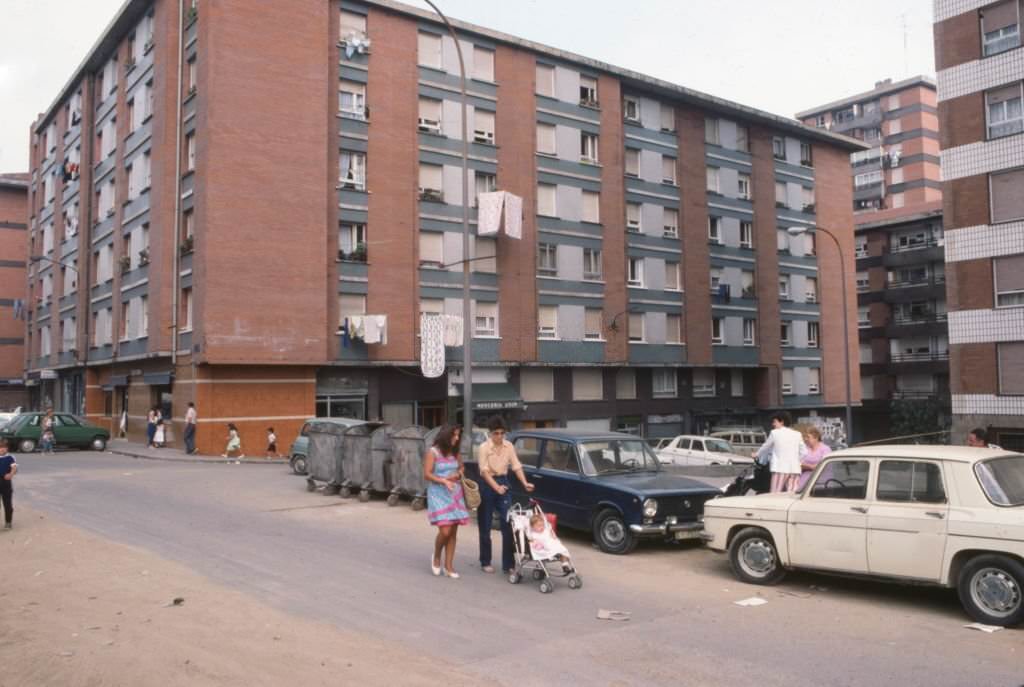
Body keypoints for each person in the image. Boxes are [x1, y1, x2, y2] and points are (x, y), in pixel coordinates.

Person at [477, 416, 534, 574]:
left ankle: (508, 564)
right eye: (496, 433)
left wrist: (524, 483)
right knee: (485, 525)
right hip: (488, 485)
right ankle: (485, 561)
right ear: (490, 433)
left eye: (502, 433)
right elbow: (484, 472)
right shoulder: (483, 447)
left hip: (503, 481)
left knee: (508, 523)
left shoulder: (509, 446)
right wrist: (496, 488)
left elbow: (516, 466)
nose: (500, 436)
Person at [423, 424, 469, 579]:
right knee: (445, 531)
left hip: (454, 492)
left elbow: (462, 467)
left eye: (458, 435)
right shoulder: (433, 452)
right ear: (445, 436)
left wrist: (458, 473)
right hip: (438, 493)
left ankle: (449, 566)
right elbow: (427, 474)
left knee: (453, 532)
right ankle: (436, 556)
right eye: (454, 435)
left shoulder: (455, 451)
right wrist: (444, 480)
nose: (457, 438)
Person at [753, 411, 806, 493]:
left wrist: (756, 454)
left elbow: (766, 446)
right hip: (795, 470)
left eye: (775, 422)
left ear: (782, 421)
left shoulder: (774, 433)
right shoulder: (797, 434)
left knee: (775, 494)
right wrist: (797, 461)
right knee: (791, 494)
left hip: (779, 468)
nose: (773, 424)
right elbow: (804, 452)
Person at [797, 426, 832, 491]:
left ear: (816, 438)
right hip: (803, 483)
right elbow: (798, 464)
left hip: (821, 483)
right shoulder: (805, 449)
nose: (805, 439)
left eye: (808, 437)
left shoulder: (825, 449)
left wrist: (805, 466)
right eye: (805, 437)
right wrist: (811, 467)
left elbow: (820, 466)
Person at [0, 443, 17, 529]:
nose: (2, 449)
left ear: (7, 449)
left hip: (5, 482)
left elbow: (14, 468)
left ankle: (8, 522)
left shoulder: (10, 457)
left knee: (7, 504)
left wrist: (11, 474)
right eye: (0, 448)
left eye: (4, 448)